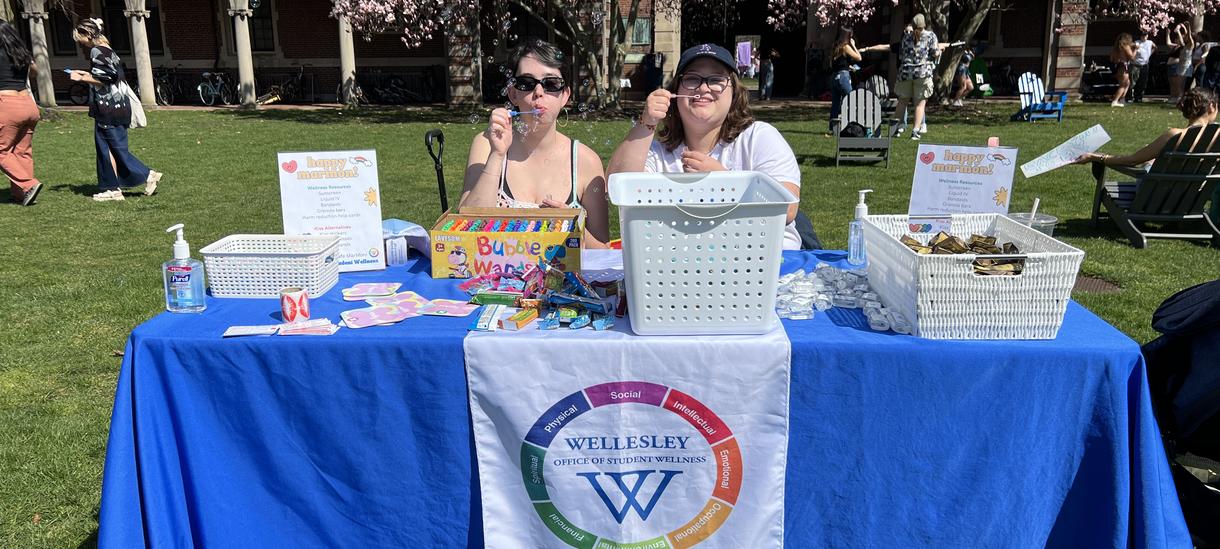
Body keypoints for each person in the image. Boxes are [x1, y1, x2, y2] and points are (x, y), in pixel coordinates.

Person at [608, 43, 806, 250]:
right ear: (675, 92)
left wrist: (722, 182)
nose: (703, 88)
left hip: (763, 262)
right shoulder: (658, 152)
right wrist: (647, 122)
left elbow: (788, 208)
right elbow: (616, 187)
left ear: (734, 92)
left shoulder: (759, 137)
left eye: (717, 80)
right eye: (692, 79)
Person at [460, 38, 609, 248]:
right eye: (527, 83)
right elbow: (466, 227)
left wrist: (574, 227)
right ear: (513, 94)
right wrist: (497, 155)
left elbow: (603, 249)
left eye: (551, 84)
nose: (539, 92)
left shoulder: (586, 161)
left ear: (565, 95)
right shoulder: (486, 145)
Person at [69, 18, 161, 202]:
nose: (80, 43)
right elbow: (109, 75)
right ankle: (112, 188)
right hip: (116, 106)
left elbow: (107, 78)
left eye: (80, 38)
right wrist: (87, 74)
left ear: (88, 34)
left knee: (115, 148)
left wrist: (81, 79)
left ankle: (146, 175)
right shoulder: (108, 50)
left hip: (109, 108)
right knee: (108, 148)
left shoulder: (96, 51)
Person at [1073, 87, 1216, 175]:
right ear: (1211, 107)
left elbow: (1132, 161)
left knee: (1150, 162)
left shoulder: (1174, 135)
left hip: (1159, 198)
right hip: (1197, 197)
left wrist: (1096, 157)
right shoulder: (1217, 136)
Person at [861, 14, 941, 140]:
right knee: (919, 104)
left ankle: (895, 128)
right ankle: (915, 131)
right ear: (924, 24)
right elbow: (935, 53)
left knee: (902, 102)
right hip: (922, 73)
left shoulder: (906, 37)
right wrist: (938, 53)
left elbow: (902, 54)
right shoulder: (931, 36)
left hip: (905, 73)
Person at [0, 20, 41, 206]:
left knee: (1, 151)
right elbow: (35, 71)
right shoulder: (20, 52)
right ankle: (20, 194)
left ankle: (28, 185)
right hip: (28, 104)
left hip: (7, 105)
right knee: (22, 151)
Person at [828, 29, 860, 133]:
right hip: (843, 77)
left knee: (836, 103)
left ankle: (833, 128)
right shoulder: (845, 47)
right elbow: (859, 58)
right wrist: (854, 45)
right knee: (851, 101)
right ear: (848, 36)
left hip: (834, 78)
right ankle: (850, 126)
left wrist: (848, 66)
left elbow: (835, 64)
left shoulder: (835, 47)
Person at [1167, 24, 1194, 103]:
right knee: (1180, 85)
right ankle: (1180, 98)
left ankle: (1180, 99)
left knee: (1179, 84)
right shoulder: (1183, 46)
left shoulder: (1191, 45)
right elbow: (1184, 38)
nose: (1183, 38)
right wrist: (1179, 30)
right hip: (1181, 66)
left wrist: (1188, 27)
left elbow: (1188, 36)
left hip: (1185, 67)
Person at [1110, 33, 1137, 107]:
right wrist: (1135, 50)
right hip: (1123, 67)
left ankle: (1122, 99)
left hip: (1118, 66)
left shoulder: (1117, 48)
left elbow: (1112, 58)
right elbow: (1132, 57)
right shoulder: (1126, 46)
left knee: (1127, 83)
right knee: (1123, 84)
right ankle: (1115, 100)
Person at [1130, 30, 1156, 103]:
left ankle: (1138, 97)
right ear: (1140, 36)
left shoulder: (1150, 42)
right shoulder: (1137, 42)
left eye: (1145, 35)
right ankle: (1130, 97)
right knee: (1133, 81)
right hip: (1136, 65)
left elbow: (1155, 47)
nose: (1144, 37)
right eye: (1143, 35)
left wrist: (1150, 54)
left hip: (1145, 65)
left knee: (1142, 82)